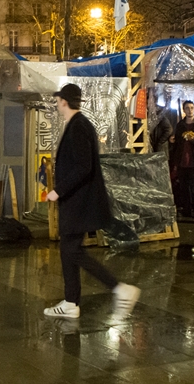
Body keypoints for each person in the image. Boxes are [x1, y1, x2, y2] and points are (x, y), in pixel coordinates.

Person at [42, 84, 140, 319]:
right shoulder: (78, 125)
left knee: (72, 251)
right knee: (69, 250)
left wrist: (58, 190)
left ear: (64, 101)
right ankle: (71, 302)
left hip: (79, 200)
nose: (56, 104)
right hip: (77, 200)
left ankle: (119, 288)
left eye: (58, 101)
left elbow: (83, 167)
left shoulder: (79, 126)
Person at [170, 101, 194, 219]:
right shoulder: (180, 125)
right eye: (187, 108)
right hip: (182, 161)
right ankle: (187, 209)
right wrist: (173, 140)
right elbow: (177, 142)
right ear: (184, 110)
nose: (190, 110)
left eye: (192, 108)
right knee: (184, 188)